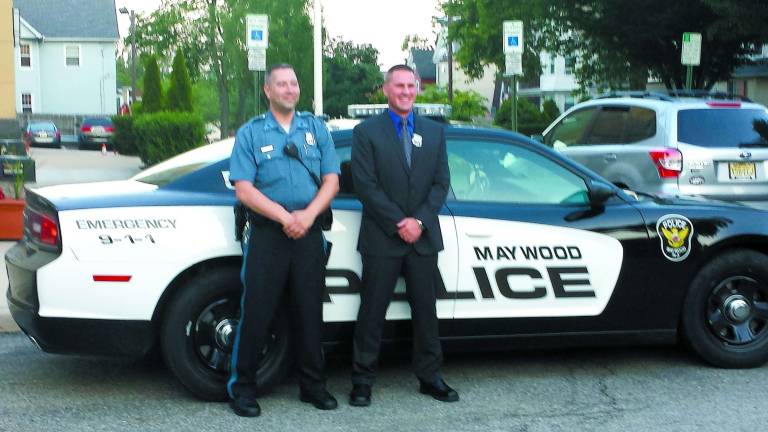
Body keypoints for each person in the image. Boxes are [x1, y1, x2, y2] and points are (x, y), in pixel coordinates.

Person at [227, 63, 340, 417]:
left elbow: (332, 180)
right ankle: (243, 388)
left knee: (309, 312)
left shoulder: (315, 128)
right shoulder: (251, 133)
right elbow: (243, 188)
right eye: (282, 84)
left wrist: (306, 217)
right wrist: (284, 217)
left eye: (293, 83)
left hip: (308, 233)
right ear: (268, 91)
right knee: (257, 313)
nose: (289, 89)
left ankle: (313, 386)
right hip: (267, 235)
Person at [349, 64, 457, 406]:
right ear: (386, 89)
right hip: (383, 237)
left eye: (411, 85)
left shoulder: (434, 132)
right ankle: (362, 382)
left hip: (423, 238)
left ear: (417, 89)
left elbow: (441, 184)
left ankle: (430, 377)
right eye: (399, 86)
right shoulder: (366, 132)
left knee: (426, 312)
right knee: (372, 312)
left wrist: (420, 222)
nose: (406, 91)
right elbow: (365, 186)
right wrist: (401, 222)